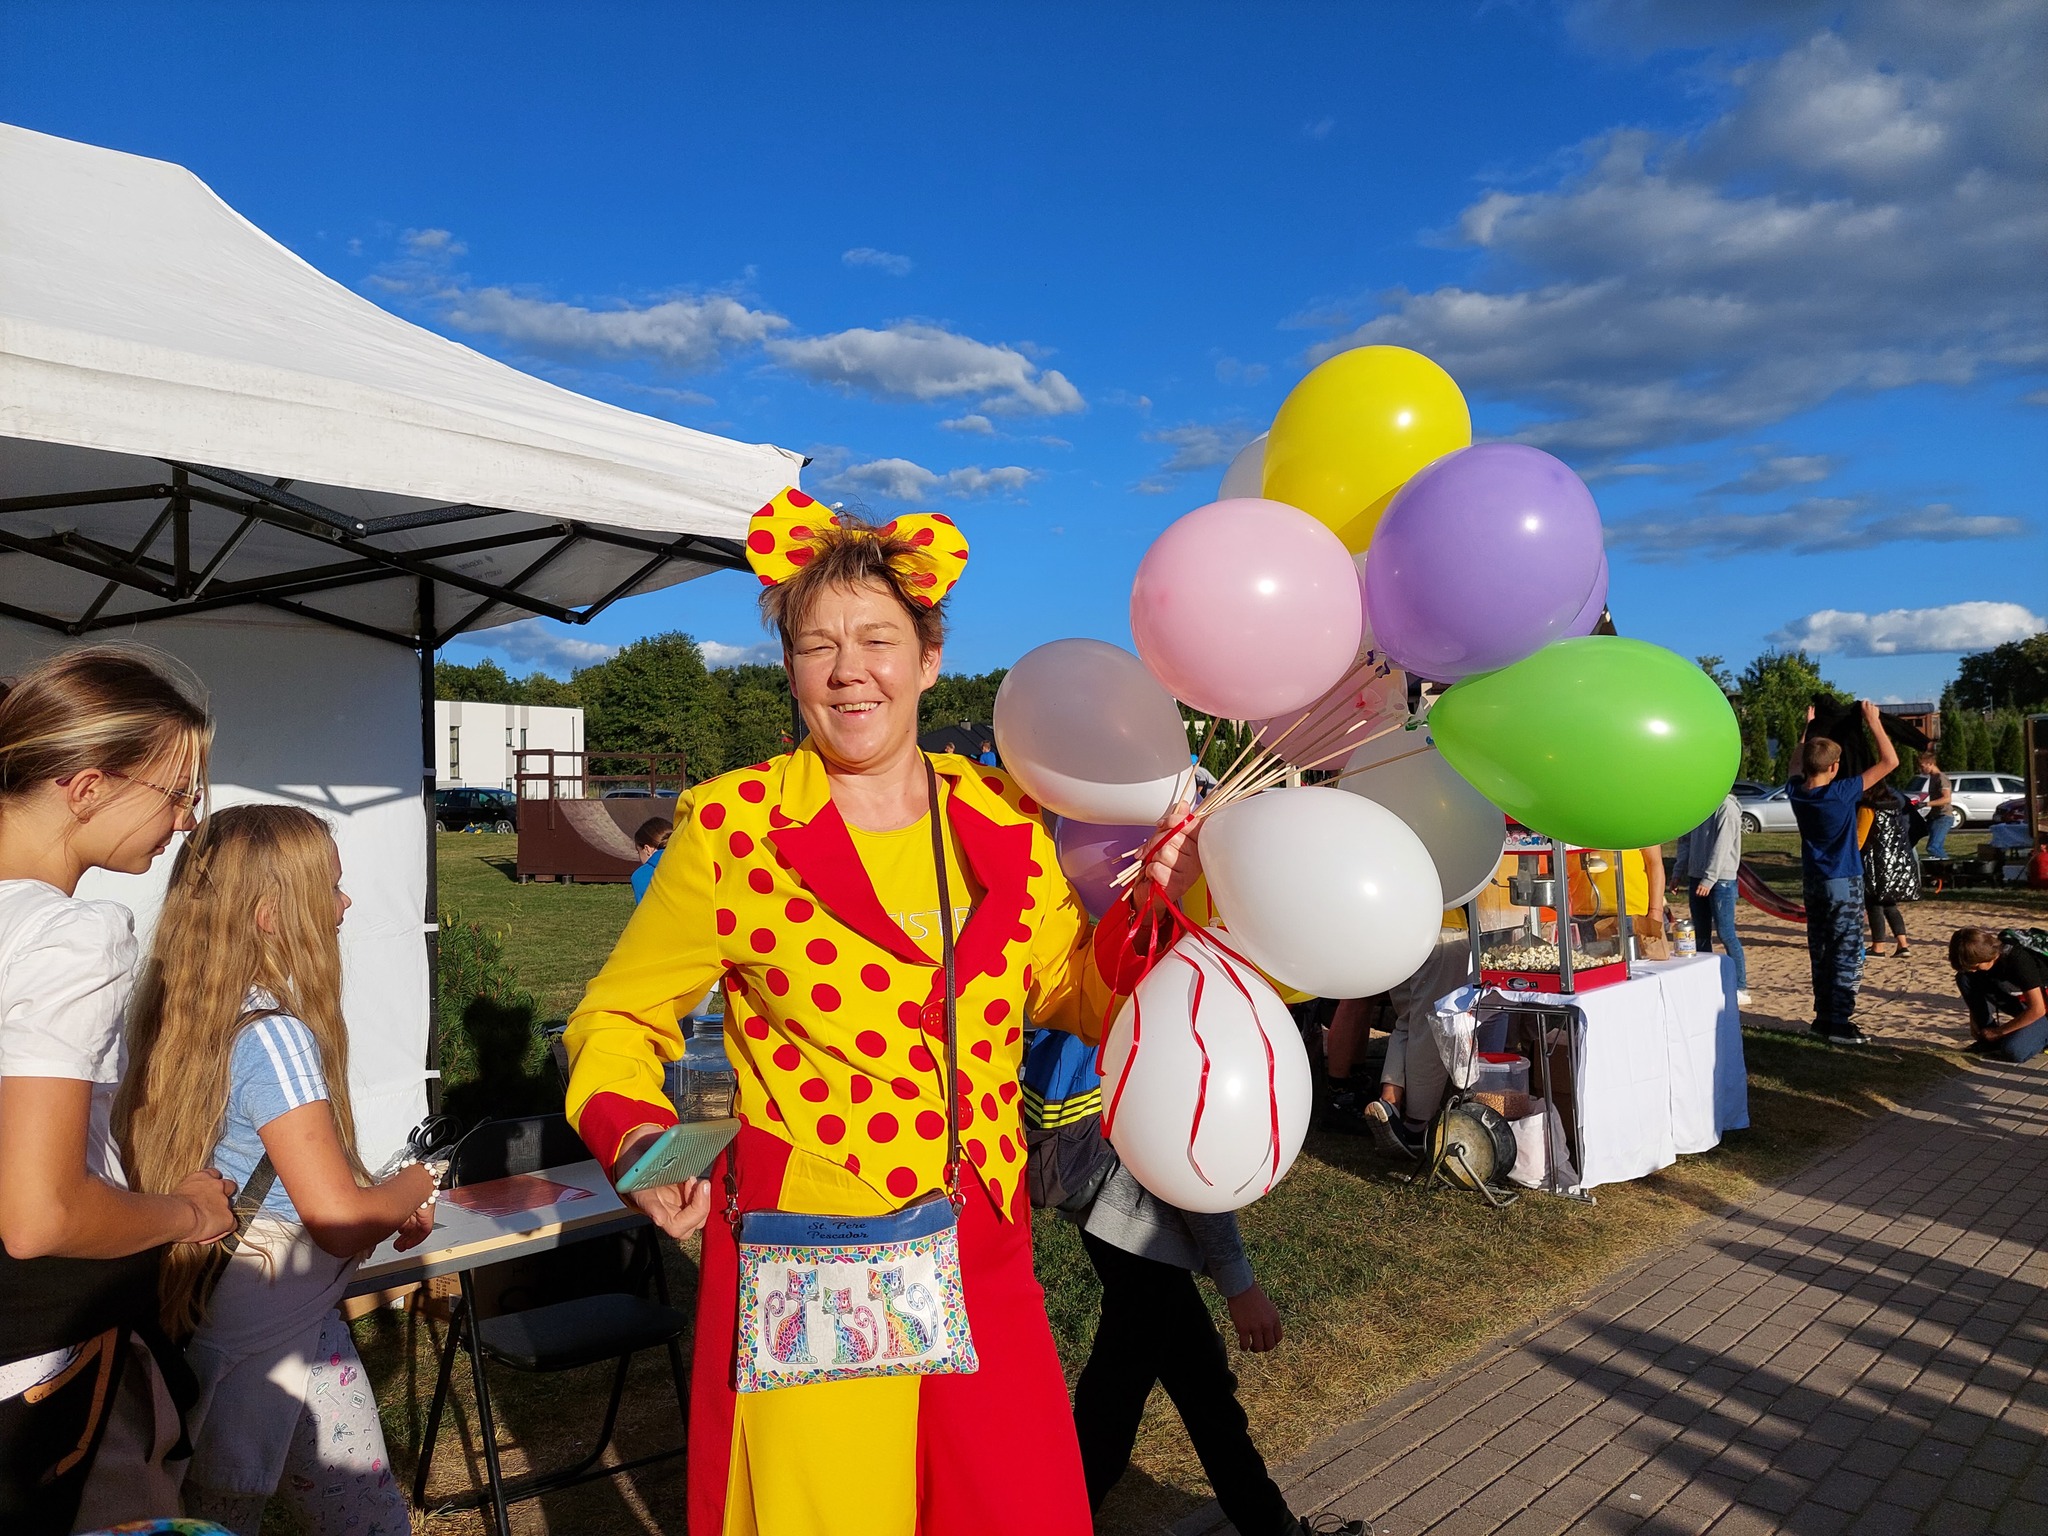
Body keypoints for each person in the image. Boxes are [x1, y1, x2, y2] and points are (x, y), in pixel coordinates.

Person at [562, 490, 1198, 1536]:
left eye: (876, 640)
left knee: (1008, 1512)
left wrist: (1149, 912)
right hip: (814, 1243)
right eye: (817, 646)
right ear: (789, 670)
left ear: (929, 658)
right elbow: (619, 1020)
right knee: (824, 1515)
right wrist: (642, 1139)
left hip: (979, 1236)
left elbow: (1069, 992)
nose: (847, 670)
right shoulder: (731, 830)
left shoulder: (1000, 816)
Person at [117, 806, 438, 1535]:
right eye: (329, 887)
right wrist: (418, 1181)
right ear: (269, 914)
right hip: (273, 1327)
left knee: (219, 1514)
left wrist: (378, 1198)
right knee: (353, 1522)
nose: (345, 904)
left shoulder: (176, 1010)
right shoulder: (277, 1035)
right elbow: (336, 1220)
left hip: (215, 1315)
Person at [0, 648, 234, 1535]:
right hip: (36, 1372)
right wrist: (186, 1212)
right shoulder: (67, 938)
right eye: (177, 792)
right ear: (88, 788)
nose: (186, 819)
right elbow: (41, 1214)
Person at [1021, 1029, 1361, 1536]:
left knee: (1194, 1387)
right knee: (1124, 1398)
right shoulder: (1188, 1022)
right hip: (1138, 1227)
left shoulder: (1142, 1006)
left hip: (1111, 1218)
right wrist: (1239, 1286)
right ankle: (1060, 1517)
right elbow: (1194, 1168)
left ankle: (1272, 1528)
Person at [1787, 702, 1899, 1045]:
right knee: (1846, 951)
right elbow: (1890, 762)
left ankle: (1823, 1018)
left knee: (1820, 950)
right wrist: (1873, 722)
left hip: (1814, 882)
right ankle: (1839, 1023)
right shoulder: (1840, 792)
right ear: (1834, 767)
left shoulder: (1797, 792)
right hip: (1843, 882)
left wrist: (1808, 728)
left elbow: (1795, 763)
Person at [1673, 794, 1749, 1006]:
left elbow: (1722, 847)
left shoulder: (1726, 808)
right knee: (1700, 934)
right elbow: (1685, 841)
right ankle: (1705, 982)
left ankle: (1740, 986)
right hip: (1696, 875)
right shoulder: (1698, 806)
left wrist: (1709, 878)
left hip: (1721, 879)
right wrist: (1678, 871)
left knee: (1726, 933)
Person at [1947, 928, 2047, 1064]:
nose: (1972, 970)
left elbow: (2038, 1009)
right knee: (1964, 977)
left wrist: (1999, 1032)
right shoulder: (1991, 956)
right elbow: (1972, 984)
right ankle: (1988, 1040)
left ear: (1987, 957)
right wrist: (1975, 1020)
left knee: (2014, 1050)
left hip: (2042, 1009)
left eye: (1976, 967)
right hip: (2025, 1002)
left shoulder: (2019, 960)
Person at [1859, 783, 1916, 958]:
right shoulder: (1894, 808)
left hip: (1874, 860)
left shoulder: (1868, 808)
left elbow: (1859, 838)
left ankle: (1879, 947)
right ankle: (1903, 945)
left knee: (1874, 903)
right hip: (1894, 861)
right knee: (1890, 903)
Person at [1919, 752, 1956, 858]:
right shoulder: (1933, 777)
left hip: (1943, 817)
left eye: (1922, 766)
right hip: (1935, 816)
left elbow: (1946, 799)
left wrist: (1926, 804)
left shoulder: (1941, 778)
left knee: (1933, 847)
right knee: (1936, 847)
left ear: (1930, 764)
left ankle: (1947, 865)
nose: (1920, 769)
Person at [629, 815, 672, 903]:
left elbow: (644, 909)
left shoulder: (640, 876)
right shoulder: (693, 862)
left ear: (647, 849)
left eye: (638, 852)